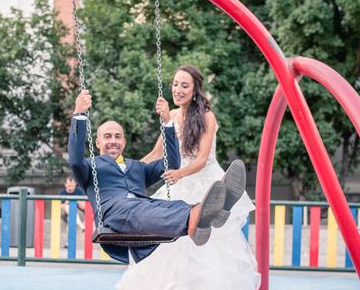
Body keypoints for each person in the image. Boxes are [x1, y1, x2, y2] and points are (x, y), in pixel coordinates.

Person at [110, 65, 274, 290]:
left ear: (196, 89)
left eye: (184, 85)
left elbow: (200, 159)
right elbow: (156, 152)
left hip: (203, 180)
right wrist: (128, 169)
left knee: (203, 249)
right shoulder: (171, 116)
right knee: (168, 244)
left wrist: (178, 173)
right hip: (179, 180)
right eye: (175, 84)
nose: (178, 89)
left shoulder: (207, 117)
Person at [68, 89, 245, 264]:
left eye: (117, 137)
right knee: (143, 210)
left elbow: (171, 164)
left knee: (173, 205)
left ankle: (212, 212)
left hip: (143, 208)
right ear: (98, 142)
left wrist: (168, 123)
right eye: (107, 137)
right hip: (115, 215)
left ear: (124, 142)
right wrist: (79, 114)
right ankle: (198, 216)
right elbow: (75, 160)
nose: (113, 141)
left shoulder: (137, 167)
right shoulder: (89, 166)